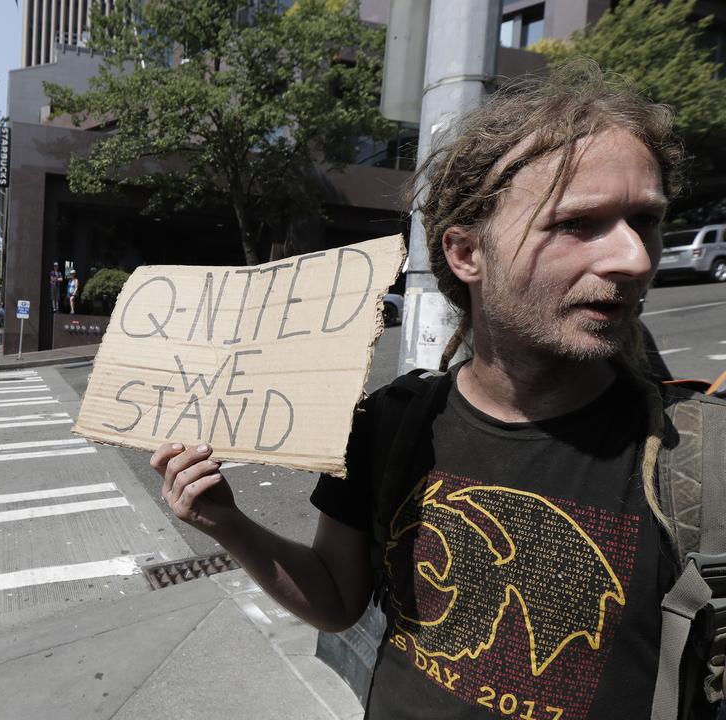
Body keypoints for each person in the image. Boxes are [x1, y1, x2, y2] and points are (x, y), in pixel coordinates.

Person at [150, 65, 722, 719]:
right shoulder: (392, 426)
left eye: (644, 220)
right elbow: (336, 599)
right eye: (578, 224)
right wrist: (227, 522)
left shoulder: (706, 460)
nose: (636, 259)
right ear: (465, 253)